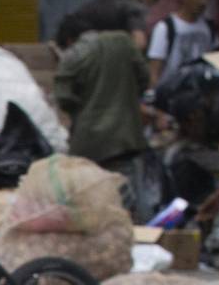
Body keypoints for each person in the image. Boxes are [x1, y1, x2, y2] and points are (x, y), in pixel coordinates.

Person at [53, 14, 157, 221]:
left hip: (88, 144)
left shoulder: (74, 53)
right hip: (126, 140)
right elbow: (145, 79)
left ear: (68, 40)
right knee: (131, 204)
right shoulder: (123, 42)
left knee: (90, 206)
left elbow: (64, 97)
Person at [147, 0, 219, 91]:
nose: (203, 2)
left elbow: (217, 61)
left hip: (199, 97)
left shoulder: (209, 28)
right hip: (171, 97)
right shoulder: (165, 28)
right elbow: (154, 71)